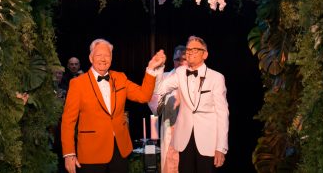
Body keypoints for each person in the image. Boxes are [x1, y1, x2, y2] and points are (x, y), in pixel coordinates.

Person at [61, 39, 165, 172]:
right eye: (99, 55)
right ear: (91, 58)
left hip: (119, 150)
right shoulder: (78, 84)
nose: (103, 59)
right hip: (91, 151)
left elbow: (144, 96)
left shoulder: (120, 78)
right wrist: (69, 153)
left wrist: (151, 69)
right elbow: (68, 121)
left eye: (107, 55)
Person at [150, 37, 228, 172]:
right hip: (184, 140)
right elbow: (159, 89)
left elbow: (222, 114)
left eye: (195, 49)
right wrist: (157, 69)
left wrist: (221, 147)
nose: (190, 52)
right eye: (188, 50)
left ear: (205, 54)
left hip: (207, 141)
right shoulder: (180, 73)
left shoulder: (216, 77)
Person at [148, 44, 186, 173]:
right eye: (177, 59)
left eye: (184, 59)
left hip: (189, 133)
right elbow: (154, 108)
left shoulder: (195, 78)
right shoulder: (164, 77)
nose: (180, 62)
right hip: (170, 131)